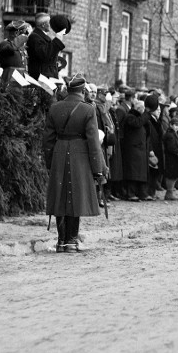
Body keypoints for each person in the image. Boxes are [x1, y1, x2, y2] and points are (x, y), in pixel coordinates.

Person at [43, 75, 107, 253]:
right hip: (80, 155)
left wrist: (51, 163)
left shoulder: (55, 108)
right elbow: (93, 142)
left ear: (67, 89)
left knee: (60, 197)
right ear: (83, 90)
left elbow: (47, 140)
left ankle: (61, 241)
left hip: (59, 153)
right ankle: (72, 241)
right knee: (75, 197)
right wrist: (98, 169)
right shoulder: (88, 110)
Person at [26, 13, 66, 79]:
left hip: (46, 75)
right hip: (41, 76)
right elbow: (44, 54)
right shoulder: (34, 37)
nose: (51, 25)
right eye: (49, 23)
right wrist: (57, 41)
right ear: (43, 24)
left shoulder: (41, 36)